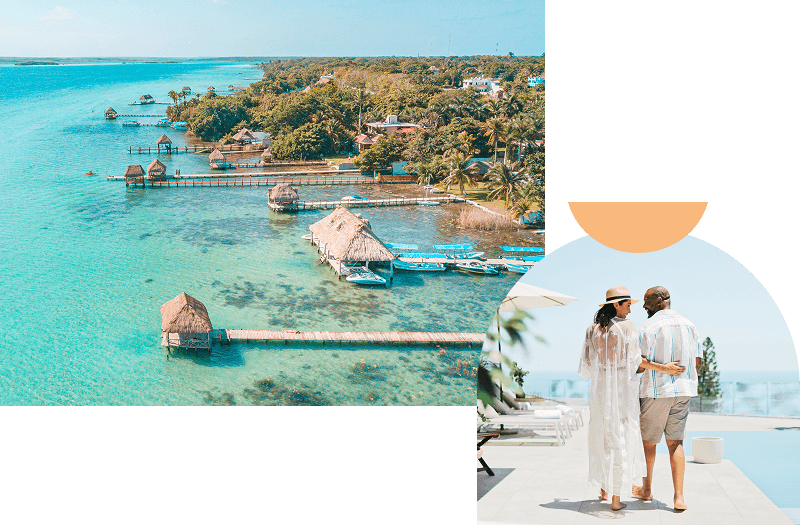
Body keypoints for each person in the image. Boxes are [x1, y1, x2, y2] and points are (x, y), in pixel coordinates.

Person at [579, 286, 686, 511]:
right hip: (621, 389)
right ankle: (616, 500)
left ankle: (603, 490)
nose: (630, 309)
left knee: (604, 435)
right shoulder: (627, 326)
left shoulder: (592, 330)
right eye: (627, 304)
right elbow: (637, 362)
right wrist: (664, 368)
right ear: (616, 304)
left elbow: (587, 366)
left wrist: (605, 370)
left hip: (599, 391)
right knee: (621, 438)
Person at [632, 286, 701, 511]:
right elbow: (697, 361)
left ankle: (647, 489)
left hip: (656, 391)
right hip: (684, 391)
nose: (644, 306)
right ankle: (679, 498)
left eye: (647, 301)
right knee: (676, 443)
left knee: (649, 443)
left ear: (660, 300)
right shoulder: (690, 324)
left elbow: (639, 363)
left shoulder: (648, 326)